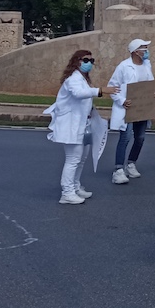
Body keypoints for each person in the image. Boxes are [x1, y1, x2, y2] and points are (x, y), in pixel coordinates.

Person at [45, 50, 118, 204]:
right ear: (76, 61)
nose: (89, 63)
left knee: (82, 159)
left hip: (83, 124)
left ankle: (75, 186)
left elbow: (83, 98)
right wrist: (100, 90)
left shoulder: (83, 79)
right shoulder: (72, 79)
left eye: (92, 60)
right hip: (71, 125)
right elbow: (79, 94)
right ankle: (67, 192)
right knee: (73, 159)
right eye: (86, 60)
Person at [109, 39, 155, 185]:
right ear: (135, 51)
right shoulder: (123, 67)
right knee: (125, 137)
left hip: (143, 108)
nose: (146, 51)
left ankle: (131, 163)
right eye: (143, 48)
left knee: (140, 138)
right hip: (128, 108)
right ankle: (118, 169)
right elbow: (113, 87)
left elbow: (151, 84)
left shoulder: (146, 65)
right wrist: (121, 100)